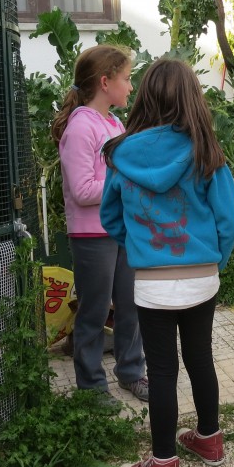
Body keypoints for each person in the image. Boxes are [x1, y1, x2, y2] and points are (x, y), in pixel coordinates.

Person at [101, 57, 234, 467]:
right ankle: (209, 440)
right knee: (201, 358)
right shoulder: (207, 152)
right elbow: (228, 221)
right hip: (202, 276)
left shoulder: (122, 154)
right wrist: (215, 261)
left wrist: (142, 251)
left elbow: (111, 218)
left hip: (152, 284)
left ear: (144, 96)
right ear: (192, 99)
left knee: (161, 372)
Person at [51, 44, 148, 403]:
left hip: (120, 230)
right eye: (126, 78)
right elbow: (81, 190)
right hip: (92, 236)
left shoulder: (113, 122)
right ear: (105, 82)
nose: (131, 86)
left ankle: (131, 372)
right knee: (93, 312)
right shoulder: (80, 127)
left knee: (130, 305)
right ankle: (91, 387)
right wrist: (124, 185)